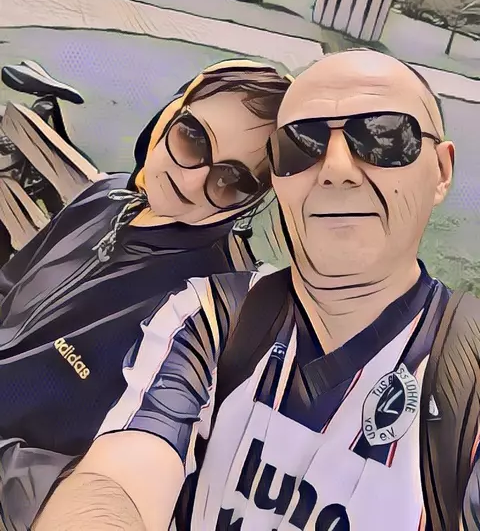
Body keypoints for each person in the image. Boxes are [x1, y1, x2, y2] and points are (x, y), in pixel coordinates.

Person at [32, 50, 479, 531]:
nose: (335, 167)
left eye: (384, 137)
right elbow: (119, 478)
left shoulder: (464, 380)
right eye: (301, 145)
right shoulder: (209, 318)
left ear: (441, 170)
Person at [0, 59, 292, 529]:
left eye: (231, 180)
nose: (193, 179)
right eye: (193, 138)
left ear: (252, 200)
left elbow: (93, 477)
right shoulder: (106, 196)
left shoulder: (198, 309)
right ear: (170, 112)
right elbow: (11, 288)